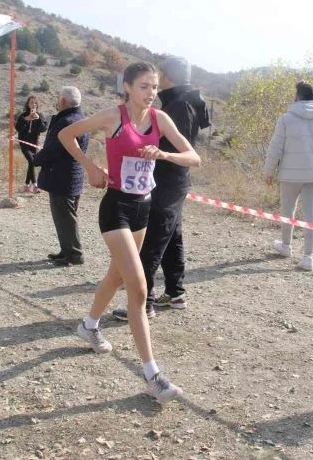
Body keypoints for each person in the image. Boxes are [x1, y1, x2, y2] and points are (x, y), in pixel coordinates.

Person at [58, 61, 201, 403]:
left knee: (116, 276)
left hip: (143, 208)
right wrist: (91, 167)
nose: (151, 93)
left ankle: (89, 326)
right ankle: (153, 376)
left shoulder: (159, 119)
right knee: (137, 287)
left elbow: (193, 157)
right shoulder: (112, 117)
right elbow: (66, 135)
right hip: (116, 208)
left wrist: (163, 153)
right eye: (143, 86)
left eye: (154, 87)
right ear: (127, 87)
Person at [111, 56, 210, 320]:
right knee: (172, 236)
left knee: (153, 240)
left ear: (168, 77)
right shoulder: (187, 100)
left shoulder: (178, 105)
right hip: (172, 180)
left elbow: (183, 148)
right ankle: (176, 292)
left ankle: (145, 303)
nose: (156, 85)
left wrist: (154, 154)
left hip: (168, 180)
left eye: (160, 77)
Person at [263, 81, 313, 271]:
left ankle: (286, 246)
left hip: (290, 173)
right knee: (312, 213)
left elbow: (275, 148)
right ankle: (308, 257)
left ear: (298, 96)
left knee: (288, 211)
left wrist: (269, 171)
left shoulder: (286, 119)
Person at [33, 87, 89, 266]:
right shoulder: (80, 119)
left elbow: (54, 149)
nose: (57, 102)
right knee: (65, 217)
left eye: (59, 99)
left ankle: (74, 254)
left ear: (63, 102)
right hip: (71, 176)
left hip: (62, 177)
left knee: (65, 217)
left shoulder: (66, 122)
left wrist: (36, 159)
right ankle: (67, 250)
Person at [15, 95, 47, 193]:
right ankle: (35, 185)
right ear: (28, 104)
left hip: (34, 143)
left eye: (35, 103)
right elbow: (18, 128)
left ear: (37, 105)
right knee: (32, 161)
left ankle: (26, 185)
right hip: (24, 143)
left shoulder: (40, 115)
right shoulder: (23, 115)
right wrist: (26, 119)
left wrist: (38, 119)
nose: (33, 105)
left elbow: (43, 129)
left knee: (31, 163)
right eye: (31, 103)